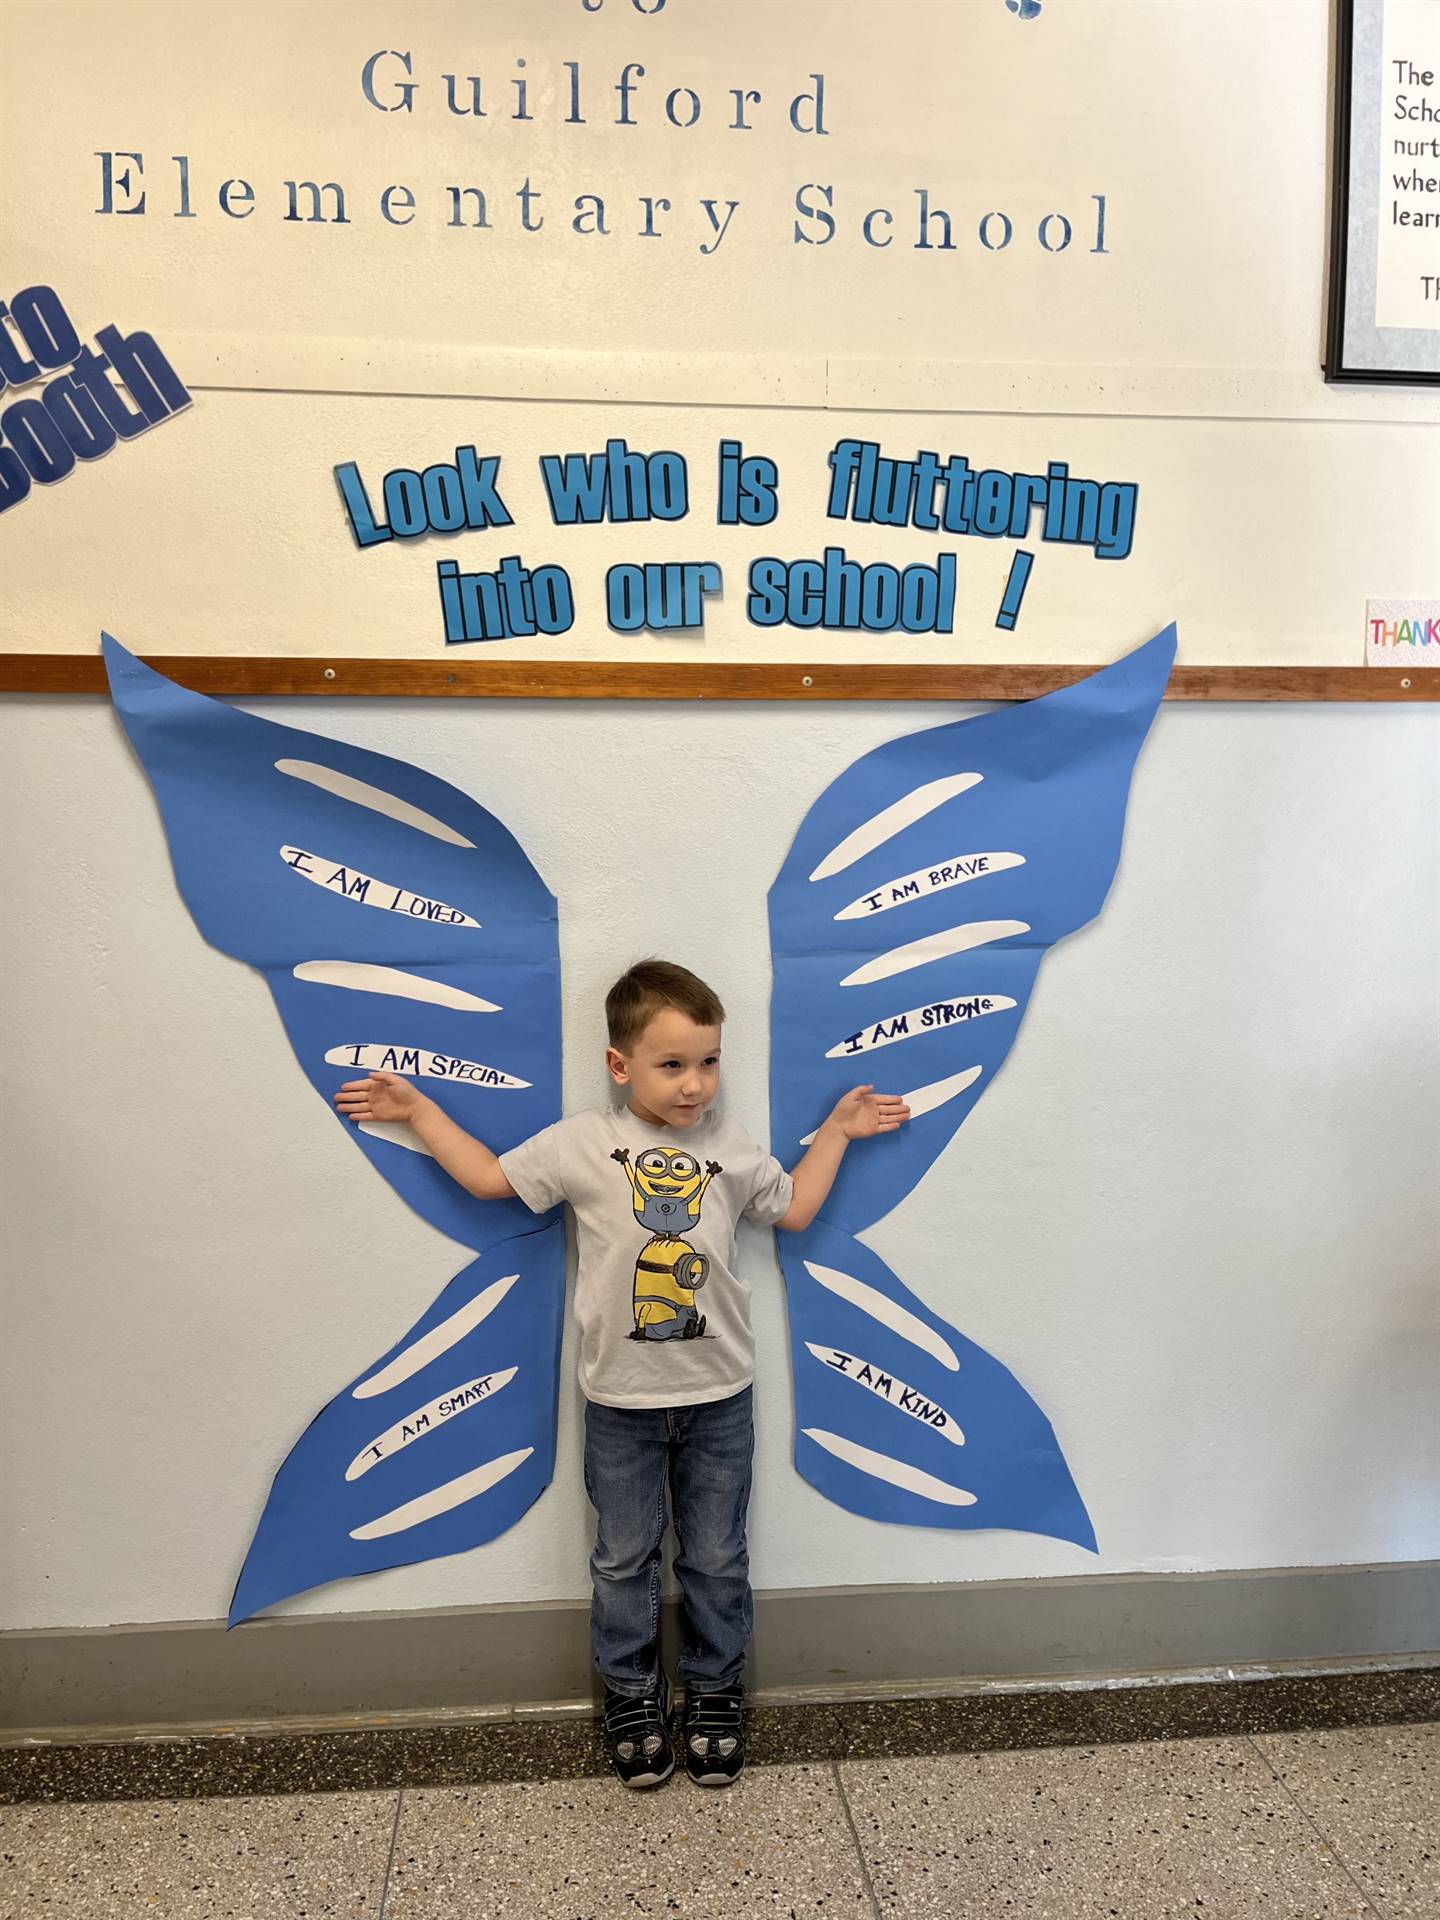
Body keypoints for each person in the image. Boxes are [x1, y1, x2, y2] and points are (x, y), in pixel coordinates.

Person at [333, 959, 908, 1790]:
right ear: (619, 1065)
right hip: (621, 1401)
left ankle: (715, 1690)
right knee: (623, 1558)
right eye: (672, 1064)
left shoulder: (730, 1144)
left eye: (708, 1061)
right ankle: (633, 1694)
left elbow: (794, 1210)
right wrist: (419, 1110)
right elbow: (494, 1180)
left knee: (715, 1556)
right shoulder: (581, 1143)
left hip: (721, 1394)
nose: (694, 1085)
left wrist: (841, 1135)